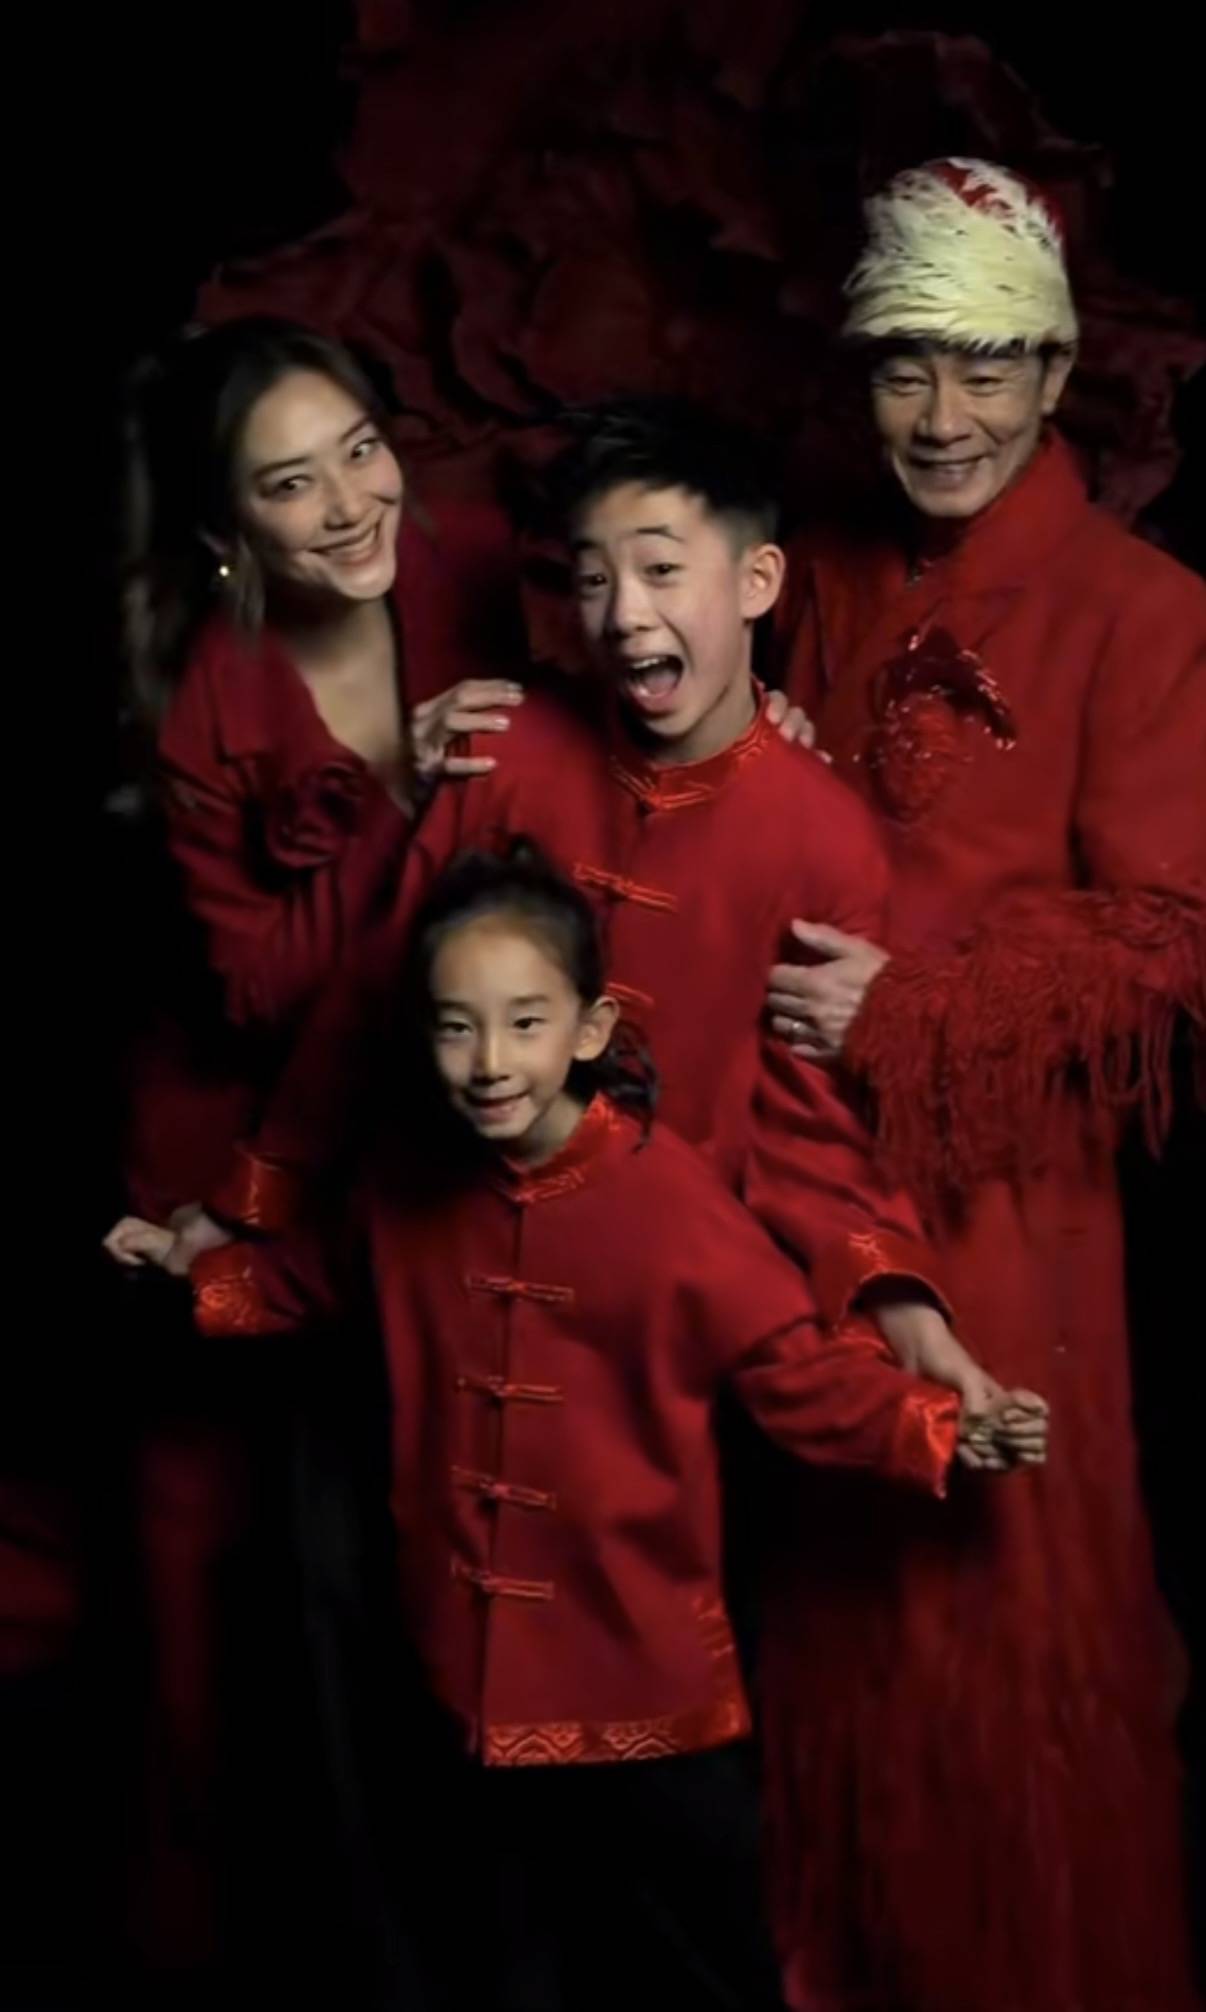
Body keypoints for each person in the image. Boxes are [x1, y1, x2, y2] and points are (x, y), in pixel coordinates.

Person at [107, 842, 1049, 2012]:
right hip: (461, 1671)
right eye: (456, 1027)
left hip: (643, 1671)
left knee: (703, 1967)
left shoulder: (669, 1201)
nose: (490, 1061)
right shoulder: (402, 1183)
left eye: (524, 1022)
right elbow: (309, 1280)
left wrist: (934, 1425)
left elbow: (795, 1371)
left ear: (590, 1028)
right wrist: (184, 1279)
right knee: (502, 1963)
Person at [157, 397, 1003, 1410]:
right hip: (438, 1287)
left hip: (655, 1338)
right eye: (595, 578)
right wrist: (250, 1208)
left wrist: (898, 1302)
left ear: (758, 581)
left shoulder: (825, 836)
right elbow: (369, 1002)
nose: (625, 613)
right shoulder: (502, 753)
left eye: (661, 570)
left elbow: (808, 1133)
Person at [766, 159, 1206, 2012]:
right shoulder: (822, 573)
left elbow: (1175, 938)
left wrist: (911, 1009)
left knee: (1003, 1612)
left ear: (1052, 374)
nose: (942, 416)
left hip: (1013, 1207)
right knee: (824, 1613)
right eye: (902, 367)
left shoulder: (1140, 607)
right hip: (800, 1180)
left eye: (982, 367)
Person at [111, 315, 525, 1975]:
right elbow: (255, 986)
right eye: (292, 485)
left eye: (362, 451)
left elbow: (660, 630)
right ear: (228, 529)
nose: (353, 506)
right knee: (271, 1574)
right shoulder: (207, 695)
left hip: (441, 1093)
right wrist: (404, 803)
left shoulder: (475, 563)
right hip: (245, 1135)